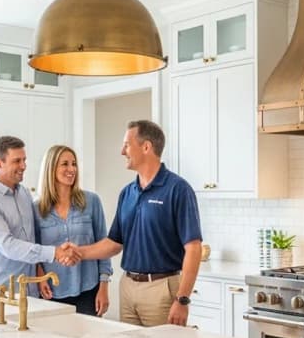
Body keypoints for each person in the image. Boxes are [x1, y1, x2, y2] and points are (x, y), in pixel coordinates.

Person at [66, 120, 202, 327]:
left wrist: (182, 299)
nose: (122, 151)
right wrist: (79, 252)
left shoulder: (178, 189)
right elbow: (114, 243)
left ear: (146, 147)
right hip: (128, 287)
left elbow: (194, 248)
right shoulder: (127, 192)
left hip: (161, 289)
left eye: (127, 145)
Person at [0, 135, 75, 297]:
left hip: (30, 291)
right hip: (1, 293)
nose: (23, 166)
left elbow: (32, 239)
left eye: (24, 160)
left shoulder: (24, 194)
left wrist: (40, 274)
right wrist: (54, 252)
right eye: (17, 161)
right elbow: (9, 246)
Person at [32, 145, 112, 316]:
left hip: (88, 290)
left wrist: (104, 286)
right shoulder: (36, 208)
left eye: (74, 164)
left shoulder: (92, 201)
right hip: (51, 292)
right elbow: (34, 249)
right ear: (51, 168)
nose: (71, 169)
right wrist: (40, 278)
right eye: (65, 164)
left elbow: (104, 245)